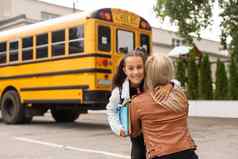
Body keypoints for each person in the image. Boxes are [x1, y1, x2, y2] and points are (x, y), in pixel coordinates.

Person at [130, 54, 198, 159]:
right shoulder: (181, 95)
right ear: (170, 70)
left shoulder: (138, 102)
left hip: (160, 154)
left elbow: (134, 132)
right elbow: (185, 116)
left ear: (148, 73)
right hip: (188, 153)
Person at [106, 49, 147, 159]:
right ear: (124, 70)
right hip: (138, 142)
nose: (136, 72)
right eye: (131, 68)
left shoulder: (152, 84)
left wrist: (170, 86)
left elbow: (174, 83)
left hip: (158, 142)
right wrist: (118, 128)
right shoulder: (119, 91)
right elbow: (111, 110)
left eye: (139, 67)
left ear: (145, 67)